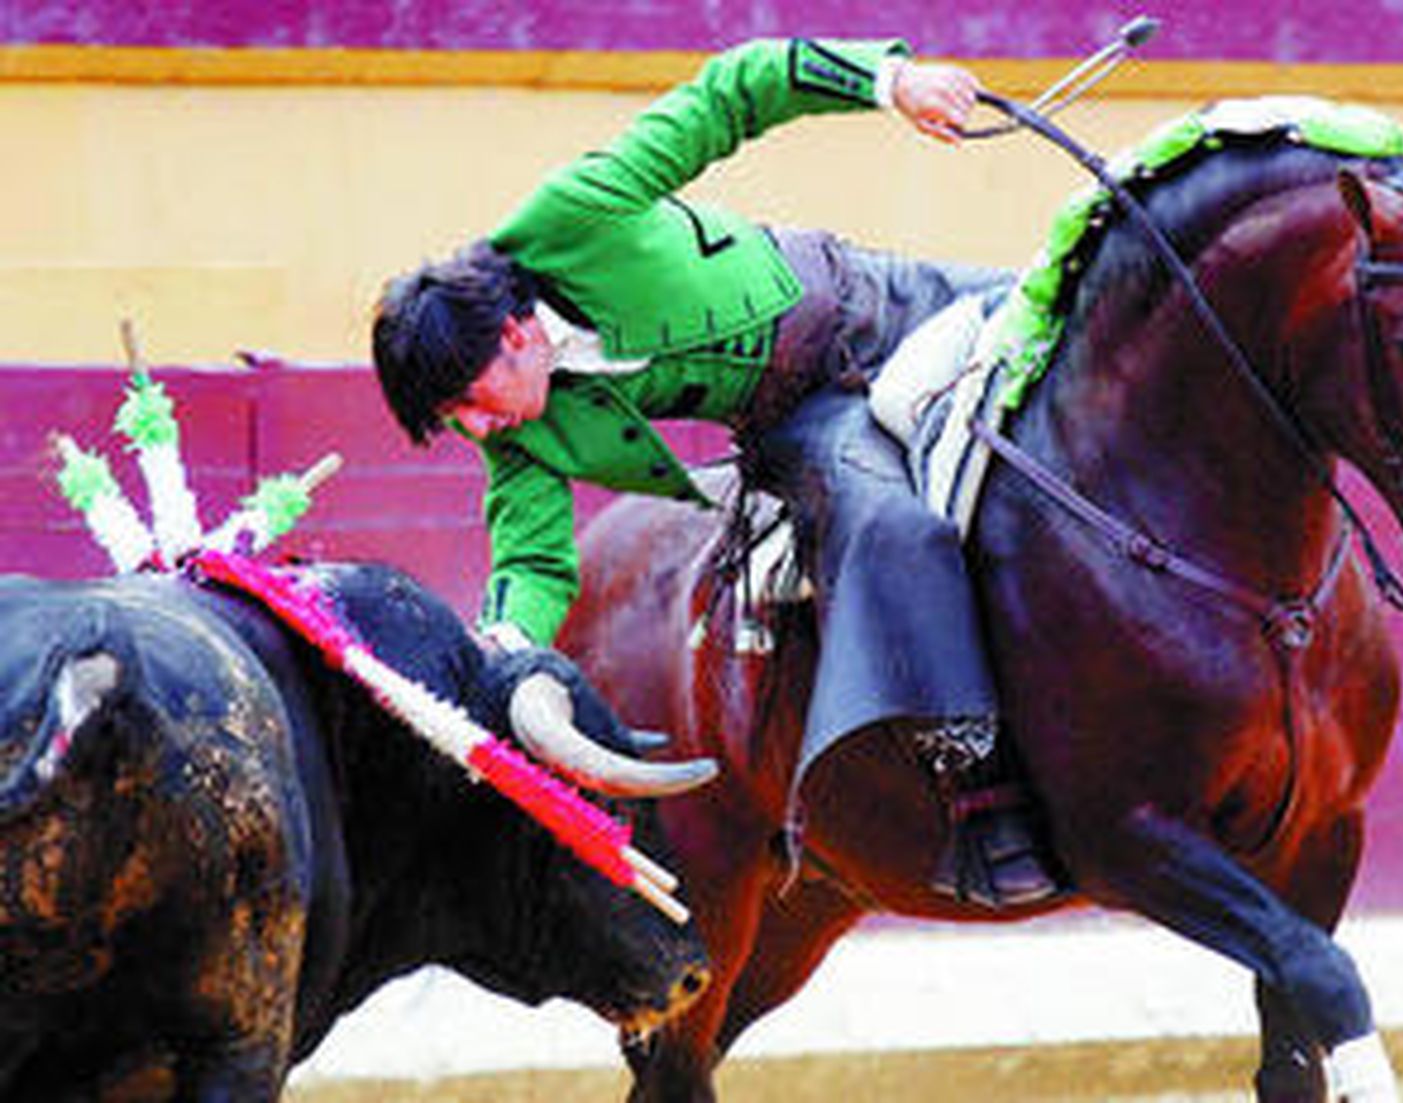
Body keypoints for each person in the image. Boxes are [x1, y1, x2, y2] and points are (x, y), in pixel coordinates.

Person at [371, 37, 1060, 908]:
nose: (477, 427)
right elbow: (533, 563)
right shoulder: (519, 432)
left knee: (1088, 321)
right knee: (889, 524)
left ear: (515, 334)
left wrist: (893, 83)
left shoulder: (571, 217)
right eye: (453, 421)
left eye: (469, 400)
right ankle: (975, 774)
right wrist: (501, 653)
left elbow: (732, 91)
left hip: (883, 297)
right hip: (808, 416)